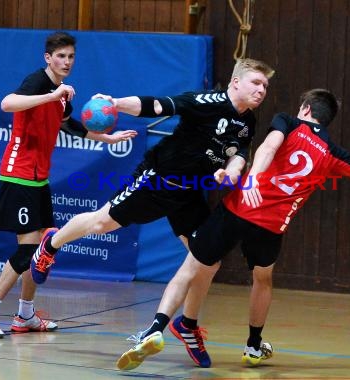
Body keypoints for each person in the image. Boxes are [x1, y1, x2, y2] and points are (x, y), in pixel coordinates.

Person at [115, 88, 350, 370]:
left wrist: (253, 178)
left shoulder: (287, 122)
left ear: (305, 108)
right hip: (271, 227)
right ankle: (253, 345)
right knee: (262, 279)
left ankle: (156, 327)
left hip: (238, 209)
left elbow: (267, 147)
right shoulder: (332, 152)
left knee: (193, 265)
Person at [30, 58, 275, 363]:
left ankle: (188, 325)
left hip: (189, 193)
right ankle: (50, 244)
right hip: (158, 179)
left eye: (265, 85)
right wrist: (116, 103)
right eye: (256, 82)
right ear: (235, 82)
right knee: (100, 224)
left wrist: (233, 173)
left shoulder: (247, 121)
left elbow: (238, 154)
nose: (261, 89)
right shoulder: (205, 101)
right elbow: (156, 106)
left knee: (208, 262)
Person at [0, 31, 138, 338]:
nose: (66, 62)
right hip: (18, 174)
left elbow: (70, 125)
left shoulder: (61, 94)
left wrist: (107, 137)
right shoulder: (38, 83)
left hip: (39, 179)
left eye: (71, 56)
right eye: (60, 56)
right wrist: (51, 95)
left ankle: (25, 315)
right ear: (48, 58)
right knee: (27, 252)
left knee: (42, 251)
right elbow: (7, 103)